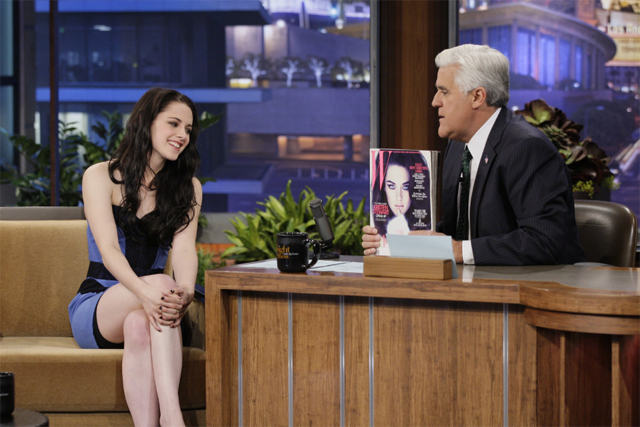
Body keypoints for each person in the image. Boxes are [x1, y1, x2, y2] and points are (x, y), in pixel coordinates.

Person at [363, 44, 585, 265]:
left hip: (531, 283)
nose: (435, 101)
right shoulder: (458, 146)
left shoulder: (527, 147)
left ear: (477, 96)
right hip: (471, 280)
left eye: (444, 91)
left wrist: (456, 250)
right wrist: (395, 238)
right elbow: (460, 229)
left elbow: (544, 242)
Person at [68, 87, 203, 426]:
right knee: (158, 285)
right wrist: (146, 292)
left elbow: (184, 248)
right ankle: (173, 418)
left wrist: (186, 289)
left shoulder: (188, 187)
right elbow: (109, 250)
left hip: (158, 306)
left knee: (139, 324)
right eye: (173, 123)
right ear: (147, 122)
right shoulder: (100, 176)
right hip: (101, 303)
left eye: (188, 129)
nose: (182, 135)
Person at [371, 151, 431, 253]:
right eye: (392, 186)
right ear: (383, 187)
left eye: (406, 187)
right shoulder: (377, 234)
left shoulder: (429, 229)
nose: (399, 196)